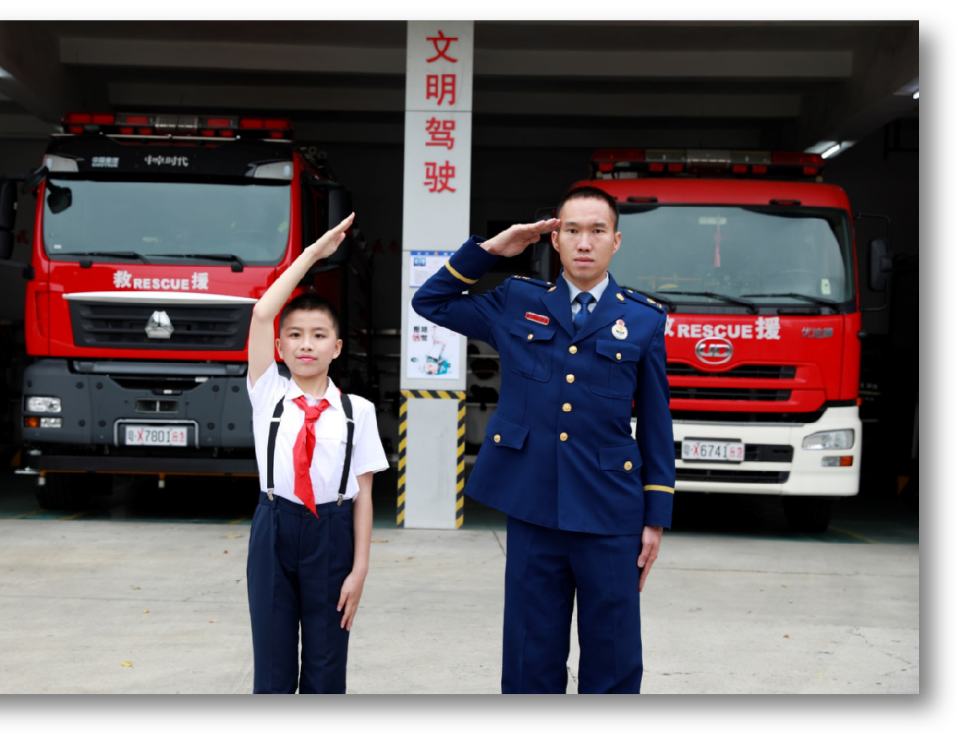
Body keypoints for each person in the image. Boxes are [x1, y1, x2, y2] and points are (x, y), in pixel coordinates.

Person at [412, 187, 675, 694]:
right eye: (571, 229)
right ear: (555, 239)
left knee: (614, 656)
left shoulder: (643, 320)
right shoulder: (517, 301)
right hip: (533, 504)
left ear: (616, 242)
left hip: (611, 513)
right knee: (531, 653)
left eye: (597, 230)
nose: (584, 241)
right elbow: (431, 301)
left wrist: (654, 518)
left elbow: (658, 425)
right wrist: (490, 249)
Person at [246, 213, 389, 694]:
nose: (306, 344)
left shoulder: (359, 412)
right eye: (295, 335)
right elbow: (263, 312)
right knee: (272, 662)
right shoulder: (267, 392)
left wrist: (360, 569)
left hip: (332, 531)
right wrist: (312, 256)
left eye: (319, 335)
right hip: (274, 527)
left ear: (338, 347)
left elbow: (365, 495)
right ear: (280, 346)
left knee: (327, 664)